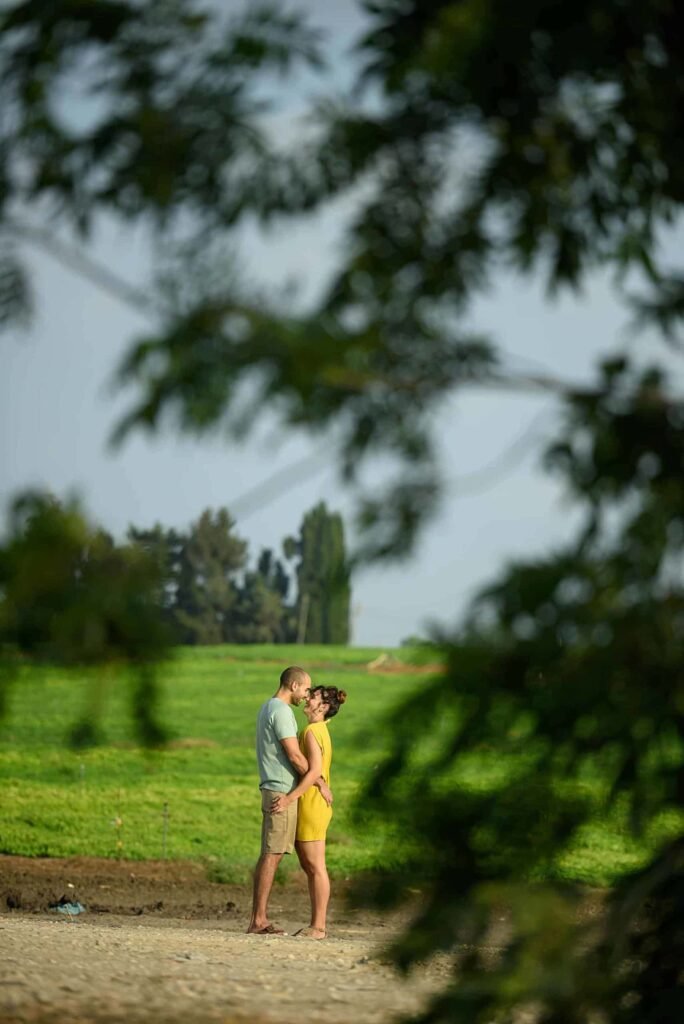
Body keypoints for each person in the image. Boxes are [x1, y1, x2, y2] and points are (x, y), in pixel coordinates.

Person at [247, 666, 332, 935]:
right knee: (272, 855)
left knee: (274, 854)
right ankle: (258, 920)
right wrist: (318, 781)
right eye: (306, 689)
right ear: (294, 686)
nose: (306, 696)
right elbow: (295, 756)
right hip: (281, 790)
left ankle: (262, 918)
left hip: (277, 787)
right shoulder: (282, 711)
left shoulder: (267, 707)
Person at [271, 684, 347, 939]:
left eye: (312, 697)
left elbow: (314, 771)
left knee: (315, 867)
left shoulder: (313, 731)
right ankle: (317, 924)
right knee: (311, 866)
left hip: (312, 804)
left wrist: (289, 798)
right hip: (312, 802)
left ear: (323, 707)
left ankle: (319, 927)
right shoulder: (318, 730)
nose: (307, 698)